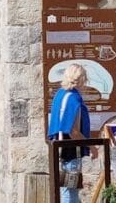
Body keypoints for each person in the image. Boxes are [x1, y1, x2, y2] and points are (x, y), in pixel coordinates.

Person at [47, 63, 98, 203]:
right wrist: (91, 146)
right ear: (80, 80)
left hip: (61, 147)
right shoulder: (73, 98)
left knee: (67, 189)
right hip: (72, 150)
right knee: (70, 192)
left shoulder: (60, 94)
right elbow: (74, 131)